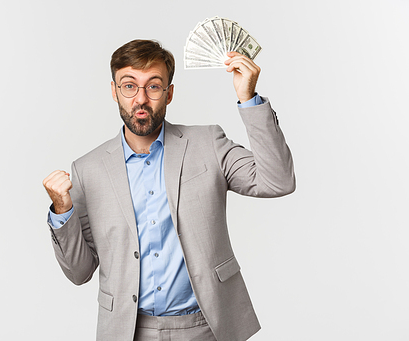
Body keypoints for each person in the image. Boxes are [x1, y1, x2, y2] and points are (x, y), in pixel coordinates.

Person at [42, 39, 295, 341]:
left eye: (153, 86)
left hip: (207, 326)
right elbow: (79, 272)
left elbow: (278, 180)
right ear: (114, 92)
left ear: (169, 93)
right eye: (129, 86)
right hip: (129, 330)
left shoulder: (208, 144)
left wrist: (248, 98)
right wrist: (62, 210)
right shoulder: (88, 170)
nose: (141, 99)